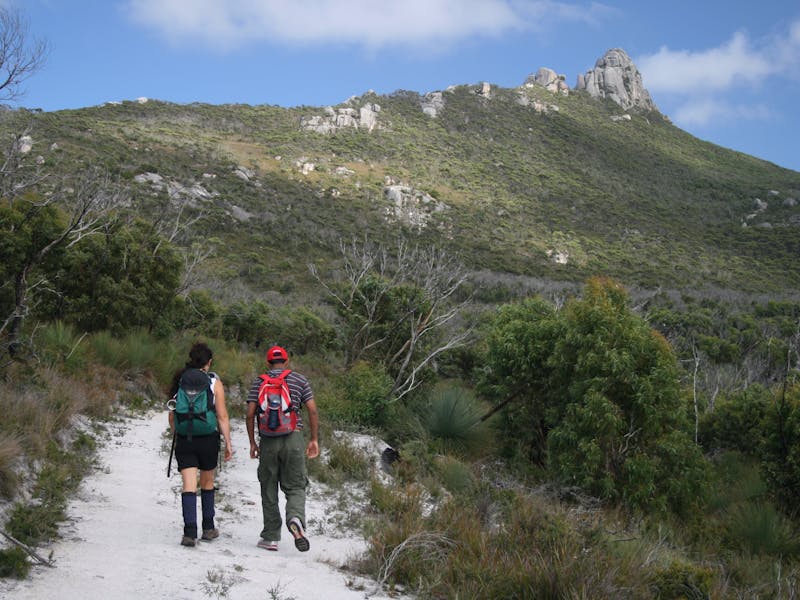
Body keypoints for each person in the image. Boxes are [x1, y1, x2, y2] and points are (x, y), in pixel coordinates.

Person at [246, 345, 319, 552]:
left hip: (268, 440)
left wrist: (252, 442)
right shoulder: (299, 380)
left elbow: (250, 414)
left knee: (268, 487)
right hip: (294, 437)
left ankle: (270, 537)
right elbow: (312, 410)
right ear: (286, 361)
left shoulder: (259, 381)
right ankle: (295, 517)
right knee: (296, 485)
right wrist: (314, 439)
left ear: (268, 362)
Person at [168, 342, 233, 547]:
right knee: (207, 482)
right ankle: (208, 528)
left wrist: (178, 432)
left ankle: (189, 533)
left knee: (188, 484)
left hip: (185, 438)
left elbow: (172, 414)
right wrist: (228, 442)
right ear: (209, 362)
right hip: (208, 438)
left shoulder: (181, 379)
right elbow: (222, 416)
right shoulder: (214, 382)